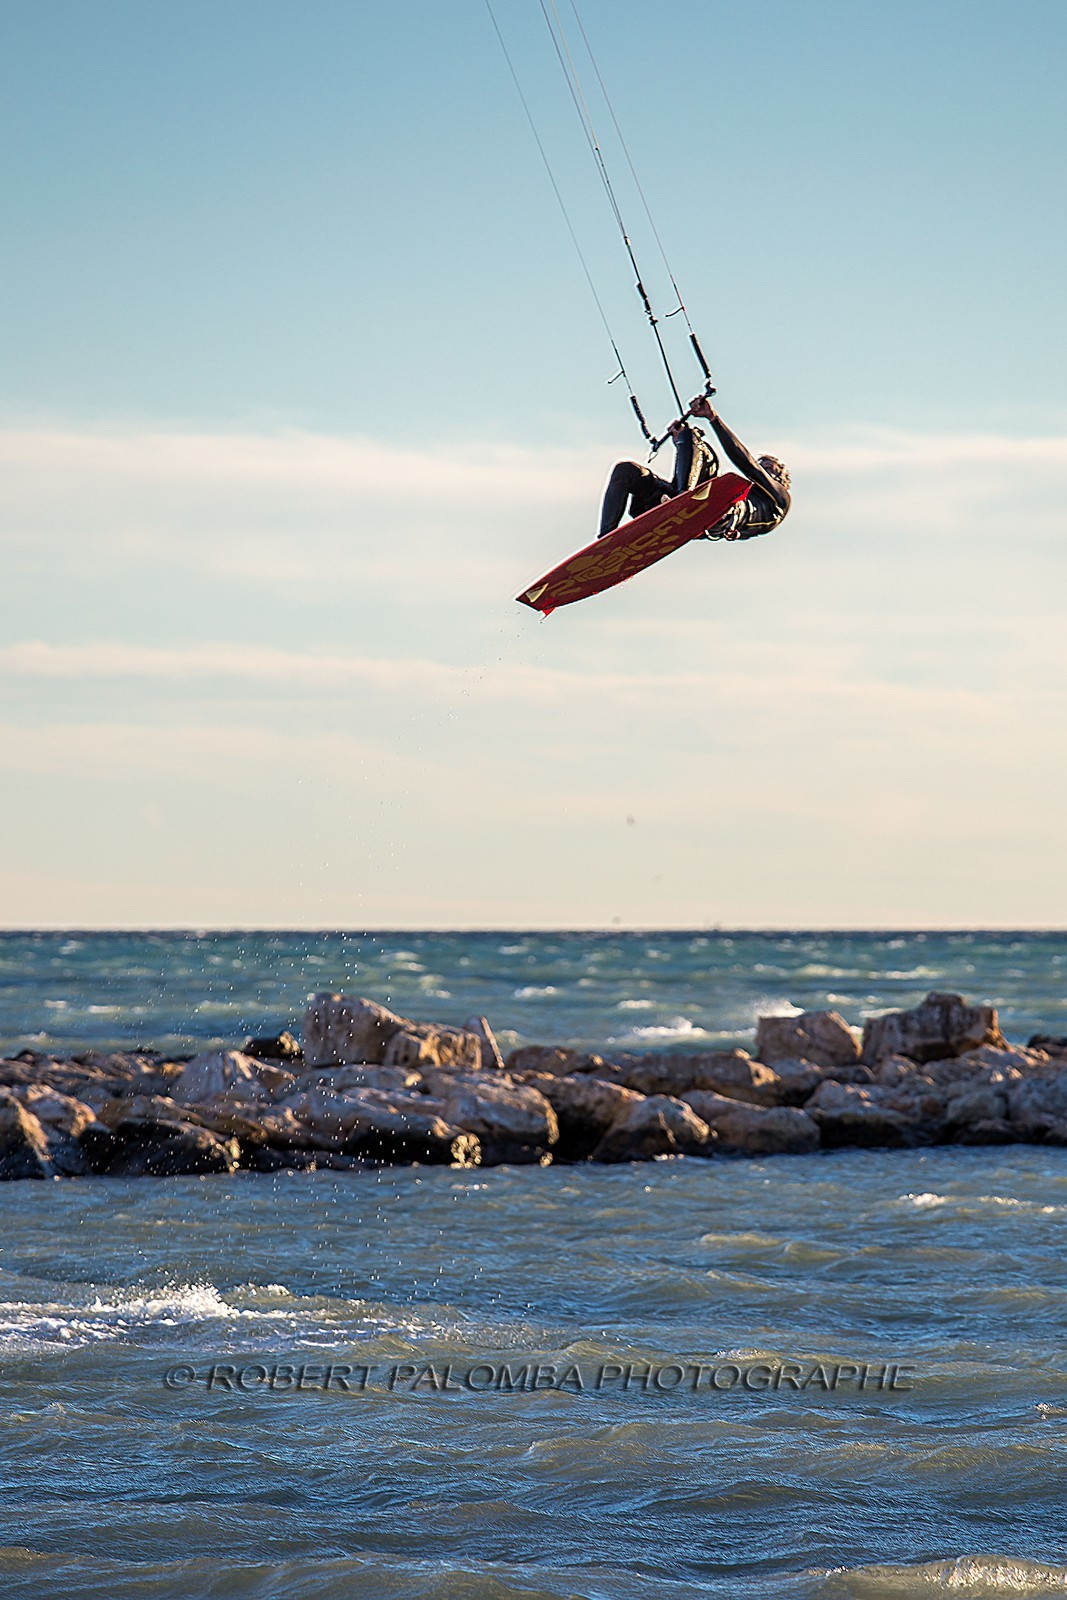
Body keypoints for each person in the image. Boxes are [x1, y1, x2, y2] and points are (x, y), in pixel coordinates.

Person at [597, 394, 790, 542]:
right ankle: (605, 540)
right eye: (764, 466)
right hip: (692, 508)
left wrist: (713, 418)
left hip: (714, 514)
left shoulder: (780, 501)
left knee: (693, 439)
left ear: (781, 481)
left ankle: (681, 502)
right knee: (626, 470)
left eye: (770, 469)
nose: (764, 471)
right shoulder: (741, 491)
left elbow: (745, 462)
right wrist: (682, 443)